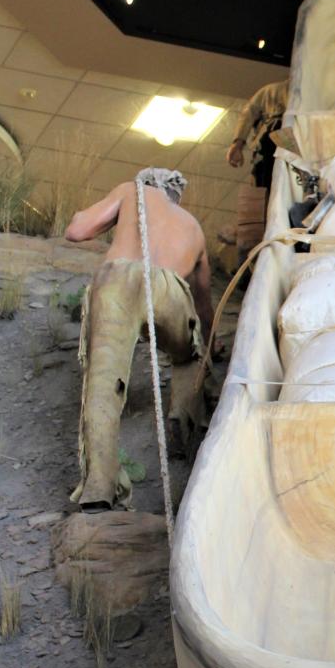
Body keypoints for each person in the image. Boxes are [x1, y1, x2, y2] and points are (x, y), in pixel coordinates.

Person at [64, 168, 213, 510]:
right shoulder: (193, 227)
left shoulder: (132, 191)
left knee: (102, 383)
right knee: (189, 354)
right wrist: (208, 343)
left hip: (117, 279)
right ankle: (180, 417)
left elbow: (77, 231)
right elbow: (204, 310)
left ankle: (99, 488)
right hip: (169, 287)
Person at [225, 79, 289, 188]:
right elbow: (249, 113)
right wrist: (238, 142)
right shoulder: (271, 91)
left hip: (276, 148)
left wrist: (238, 143)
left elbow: (248, 113)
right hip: (275, 147)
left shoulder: (270, 91)